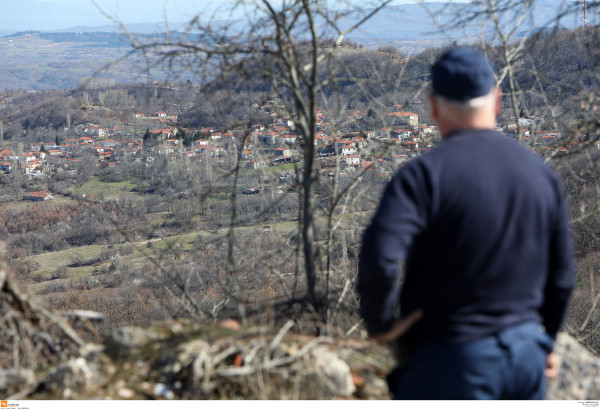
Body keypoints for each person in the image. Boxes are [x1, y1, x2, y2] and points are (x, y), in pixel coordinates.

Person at [357, 47, 575, 400]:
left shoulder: (422, 176)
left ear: (432, 105)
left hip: (451, 360)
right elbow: (562, 279)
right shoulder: (541, 175)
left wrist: (383, 327)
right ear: (497, 99)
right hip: (524, 359)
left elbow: (380, 259)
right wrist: (543, 343)